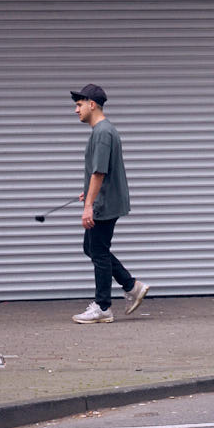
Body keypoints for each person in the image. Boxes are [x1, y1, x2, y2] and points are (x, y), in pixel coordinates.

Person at [70, 84, 149, 324]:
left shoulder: (103, 133)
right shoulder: (103, 131)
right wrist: (89, 195)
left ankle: (103, 306)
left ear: (92, 104)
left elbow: (99, 172)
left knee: (98, 251)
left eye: (79, 104)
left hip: (104, 204)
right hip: (104, 200)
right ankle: (132, 286)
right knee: (93, 249)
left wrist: (89, 206)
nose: (76, 110)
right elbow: (101, 174)